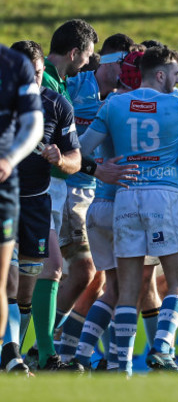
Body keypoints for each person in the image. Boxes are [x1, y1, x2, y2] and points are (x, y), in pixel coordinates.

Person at [79, 45, 178, 377]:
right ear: (160, 74)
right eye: (174, 73)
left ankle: (119, 365)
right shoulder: (177, 104)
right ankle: (163, 348)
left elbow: (81, 148)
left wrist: (98, 169)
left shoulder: (114, 104)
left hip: (125, 196)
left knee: (127, 290)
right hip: (163, 196)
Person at [0, 40, 80, 374]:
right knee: (10, 278)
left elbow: (76, 159)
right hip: (6, 198)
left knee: (32, 280)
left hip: (37, 200)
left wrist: (61, 159)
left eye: (36, 74)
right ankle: (12, 354)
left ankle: (26, 352)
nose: (32, 82)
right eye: (25, 75)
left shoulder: (57, 104)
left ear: (42, 71)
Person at [57, 33, 135, 364]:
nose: (126, 71)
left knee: (100, 279)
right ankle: (44, 343)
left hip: (95, 193)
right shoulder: (75, 85)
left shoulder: (120, 100)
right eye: (123, 64)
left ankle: (67, 348)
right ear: (107, 61)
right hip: (66, 188)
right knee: (85, 270)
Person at [27, 19, 97, 371]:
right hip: (34, 192)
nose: (87, 63)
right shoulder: (46, 90)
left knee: (43, 270)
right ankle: (35, 354)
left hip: (48, 191)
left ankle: (34, 355)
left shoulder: (59, 92)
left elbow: (72, 154)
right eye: (86, 56)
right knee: (43, 270)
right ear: (73, 52)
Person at [0, 43, 44, 371]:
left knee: (3, 281)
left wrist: (10, 158)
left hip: (4, 184)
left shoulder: (16, 65)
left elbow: (33, 126)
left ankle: (8, 354)